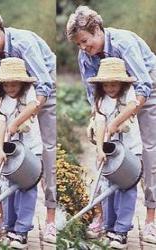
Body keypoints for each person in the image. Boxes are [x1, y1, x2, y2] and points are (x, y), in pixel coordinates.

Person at [66, 5, 156, 244]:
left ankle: (150, 219)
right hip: (111, 95)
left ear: (97, 29)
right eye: (78, 44)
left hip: (146, 90)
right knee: (107, 153)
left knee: (148, 153)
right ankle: (102, 216)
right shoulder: (85, 54)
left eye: (86, 41)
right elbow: (93, 95)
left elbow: (143, 87)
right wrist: (96, 123)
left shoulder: (123, 43)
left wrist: (116, 121)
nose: (83, 48)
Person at [0, 6, 56, 243]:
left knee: (45, 156)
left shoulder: (24, 43)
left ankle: (49, 219)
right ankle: (5, 219)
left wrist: (16, 122)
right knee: (9, 166)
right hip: (10, 99)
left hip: (42, 90)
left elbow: (44, 88)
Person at [0, 57, 42, 249]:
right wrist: (0, 148)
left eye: (14, 83)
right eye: (6, 84)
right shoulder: (1, 100)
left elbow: (34, 106)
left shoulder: (28, 94)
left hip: (31, 150)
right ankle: (9, 227)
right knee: (8, 188)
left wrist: (16, 123)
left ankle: (22, 231)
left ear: (22, 82)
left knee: (26, 188)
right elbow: (1, 122)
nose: (10, 87)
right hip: (11, 151)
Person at [88, 57, 142, 249]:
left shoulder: (128, 94)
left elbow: (133, 106)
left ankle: (121, 230)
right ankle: (110, 227)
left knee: (126, 189)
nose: (110, 88)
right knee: (108, 189)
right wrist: (100, 149)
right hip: (110, 152)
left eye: (114, 84)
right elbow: (100, 124)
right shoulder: (101, 100)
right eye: (107, 84)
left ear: (122, 82)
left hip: (130, 151)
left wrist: (116, 123)